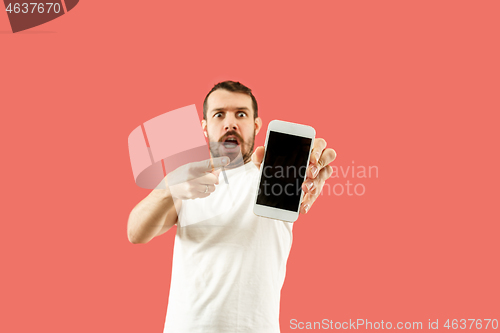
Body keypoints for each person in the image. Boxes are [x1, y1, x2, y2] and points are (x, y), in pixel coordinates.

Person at [127, 81, 337, 333]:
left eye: (241, 114)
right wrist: (169, 189)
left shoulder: (272, 177)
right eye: (219, 114)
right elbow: (135, 233)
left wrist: (310, 165)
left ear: (256, 125)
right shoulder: (186, 180)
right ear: (204, 128)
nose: (230, 123)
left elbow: (306, 176)